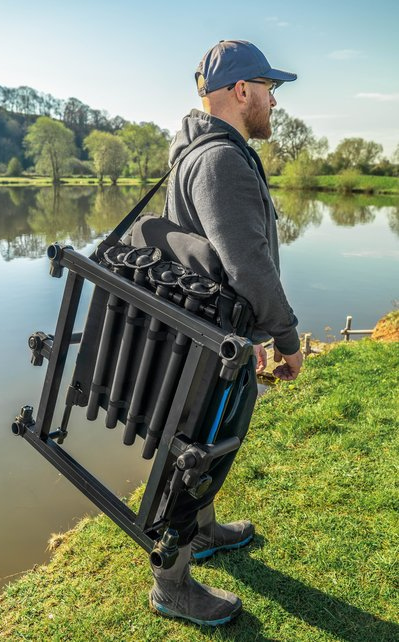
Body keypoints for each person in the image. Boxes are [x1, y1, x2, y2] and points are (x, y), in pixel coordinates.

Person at [149, 39, 304, 626]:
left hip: (210, 339)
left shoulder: (195, 152)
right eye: (269, 88)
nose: (273, 101)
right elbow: (249, 266)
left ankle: (204, 529)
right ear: (242, 91)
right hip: (211, 350)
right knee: (200, 449)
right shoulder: (221, 161)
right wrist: (286, 339)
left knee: (213, 442)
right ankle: (171, 584)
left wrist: (253, 336)